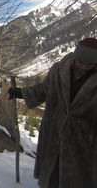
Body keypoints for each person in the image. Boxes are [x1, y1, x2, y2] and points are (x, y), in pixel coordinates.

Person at [8, 37, 97, 188]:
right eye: (81, 62)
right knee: (52, 176)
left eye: (90, 64)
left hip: (84, 140)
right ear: (75, 57)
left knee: (79, 178)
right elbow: (44, 89)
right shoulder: (59, 70)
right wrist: (21, 93)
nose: (84, 67)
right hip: (55, 132)